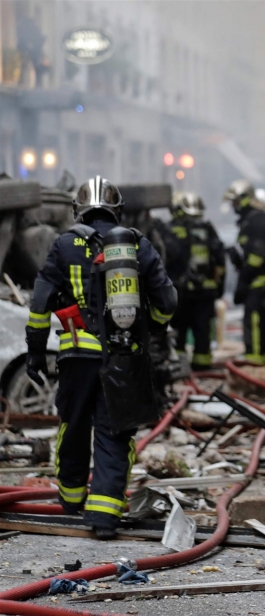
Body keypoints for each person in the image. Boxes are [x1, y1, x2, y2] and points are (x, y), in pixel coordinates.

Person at [24, 176, 177, 539]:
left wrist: (34, 352)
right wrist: (150, 328)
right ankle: (104, 517)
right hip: (122, 358)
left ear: (79, 210)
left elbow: (39, 304)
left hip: (76, 355)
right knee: (114, 432)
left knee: (72, 426)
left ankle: (72, 499)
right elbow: (167, 302)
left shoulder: (63, 245)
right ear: (117, 210)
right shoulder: (135, 244)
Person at [166, 192, 226, 370]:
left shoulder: (172, 231)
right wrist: (218, 287)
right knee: (202, 333)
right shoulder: (208, 229)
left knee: (179, 330)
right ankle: (202, 367)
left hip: (181, 291)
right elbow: (220, 259)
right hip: (206, 293)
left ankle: (181, 368)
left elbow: (166, 261)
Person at [223, 180, 265, 365]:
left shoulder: (258, 221)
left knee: (254, 323)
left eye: (235, 202)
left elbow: (257, 258)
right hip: (256, 281)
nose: (233, 207)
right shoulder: (250, 221)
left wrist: (243, 282)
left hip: (259, 282)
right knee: (261, 325)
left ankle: (255, 364)